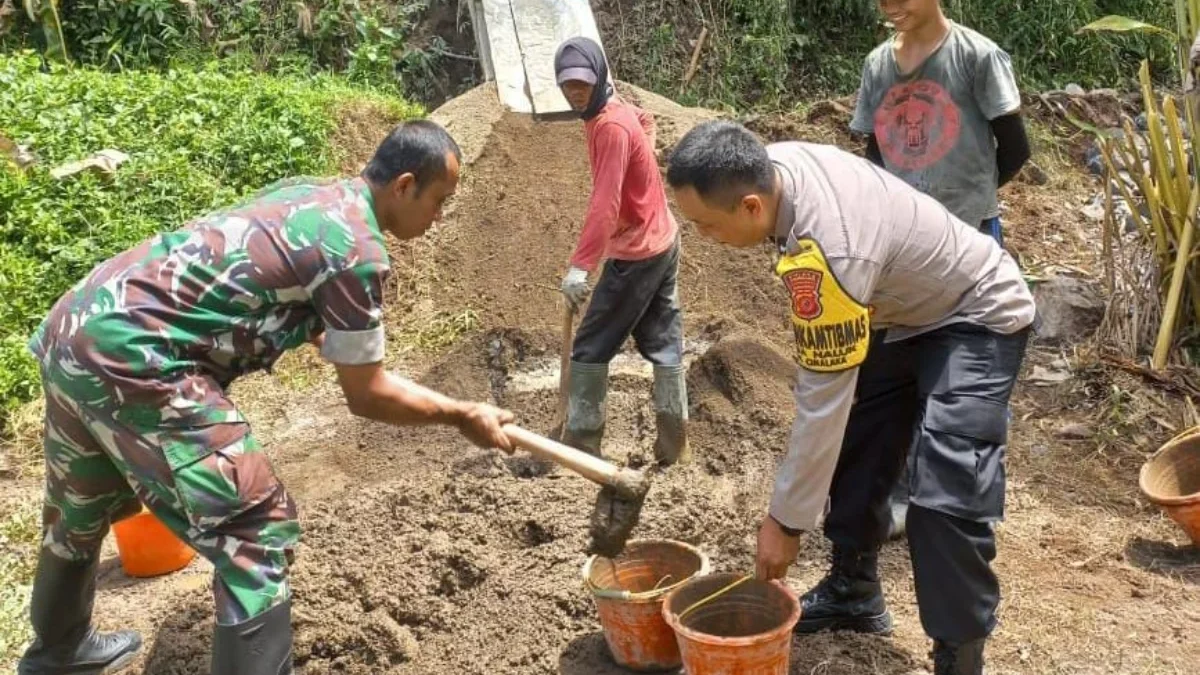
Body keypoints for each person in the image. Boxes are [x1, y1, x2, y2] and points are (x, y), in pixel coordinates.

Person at [19, 120, 515, 675]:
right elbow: (368, 396)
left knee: (78, 509)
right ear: (404, 185)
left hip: (78, 330)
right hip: (141, 359)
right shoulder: (357, 250)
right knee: (255, 534)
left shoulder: (313, 195)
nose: (439, 217)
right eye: (439, 202)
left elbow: (273, 289)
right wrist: (463, 414)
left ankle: (57, 654)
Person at [666, 121, 1036, 675]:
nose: (704, 237)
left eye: (707, 225)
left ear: (749, 206)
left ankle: (959, 658)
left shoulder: (830, 249)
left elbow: (821, 398)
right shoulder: (773, 171)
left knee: (946, 492)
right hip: (901, 310)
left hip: (977, 311)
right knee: (861, 444)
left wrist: (784, 523)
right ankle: (854, 590)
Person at [851, 0, 1031, 539]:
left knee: (962, 366)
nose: (890, 7)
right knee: (894, 365)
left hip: (969, 236)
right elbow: (873, 155)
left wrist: (971, 200)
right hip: (900, 247)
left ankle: (955, 497)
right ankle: (903, 491)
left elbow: (1016, 147)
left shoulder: (978, 57)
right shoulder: (878, 65)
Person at [553, 36, 689, 465]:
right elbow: (645, 120)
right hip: (663, 238)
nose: (576, 92)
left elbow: (605, 203)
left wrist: (580, 267)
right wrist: (642, 156)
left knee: (590, 347)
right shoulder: (615, 109)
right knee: (664, 342)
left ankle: (582, 448)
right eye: (568, 85)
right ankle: (675, 449)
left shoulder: (610, 126)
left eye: (583, 84)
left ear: (599, 79)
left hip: (638, 252)